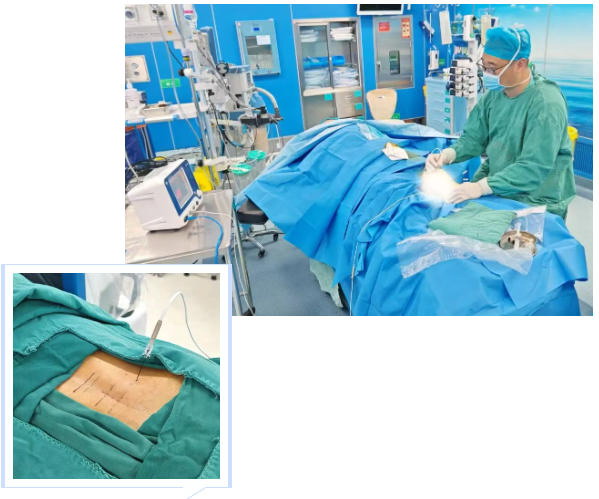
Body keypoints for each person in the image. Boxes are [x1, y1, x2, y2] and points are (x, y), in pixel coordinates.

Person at [425, 26, 575, 219]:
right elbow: (474, 138)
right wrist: (448, 155)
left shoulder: (546, 104)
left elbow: (533, 167)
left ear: (521, 63)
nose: (487, 73)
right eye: (484, 65)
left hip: (537, 197)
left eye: (493, 68)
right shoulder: (495, 94)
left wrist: (481, 187)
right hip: (500, 183)